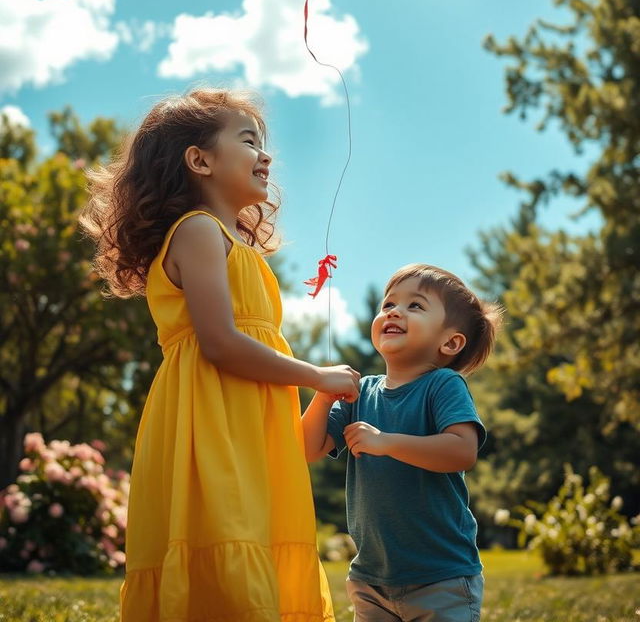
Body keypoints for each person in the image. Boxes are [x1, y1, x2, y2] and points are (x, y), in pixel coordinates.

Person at [80, 87, 360, 622]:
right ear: (200, 160)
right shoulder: (198, 232)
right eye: (250, 140)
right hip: (210, 421)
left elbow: (261, 375)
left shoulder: (238, 248)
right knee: (225, 544)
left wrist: (320, 398)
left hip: (245, 421)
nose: (267, 155)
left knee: (257, 539)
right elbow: (222, 343)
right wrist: (316, 376)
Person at [302, 263, 503, 622]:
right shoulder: (360, 393)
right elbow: (307, 449)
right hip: (371, 579)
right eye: (388, 304)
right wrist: (322, 395)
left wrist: (387, 442)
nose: (393, 311)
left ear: (450, 342)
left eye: (416, 306)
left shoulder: (442, 385)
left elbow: (462, 451)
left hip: (441, 576)